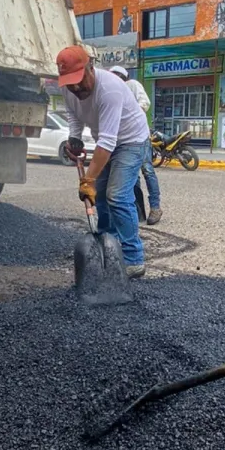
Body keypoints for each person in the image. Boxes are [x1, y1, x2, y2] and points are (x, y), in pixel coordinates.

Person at [57, 46, 149, 278]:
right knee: (100, 196)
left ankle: (133, 259)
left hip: (132, 141)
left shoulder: (109, 89)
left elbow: (108, 142)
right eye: (70, 83)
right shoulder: (69, 90)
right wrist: (75, 136)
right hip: (107, 142)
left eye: (79, 79)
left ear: (91, 67)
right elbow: (73, 114)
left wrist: (88, 178)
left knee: (117, 195)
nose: (76, 87)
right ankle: (108, 247)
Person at [110, 64, 162, 225]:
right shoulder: (111, 93)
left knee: (147, 170)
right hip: (122, 141)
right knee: (133, 177)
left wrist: (129, 115)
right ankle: (136, 209)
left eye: (117, 77)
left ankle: (155, 207)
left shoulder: (132, 85)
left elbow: (144, 103)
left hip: (140, 138)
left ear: (123, 77)